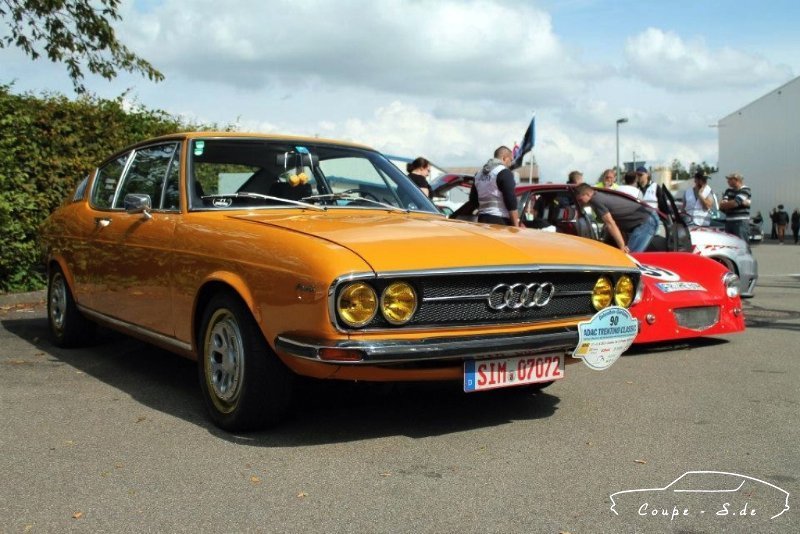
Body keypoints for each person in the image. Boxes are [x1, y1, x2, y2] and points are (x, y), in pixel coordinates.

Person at [574, 183, 659, 252]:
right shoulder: (597, 197)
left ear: (588, 194)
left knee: (631, 258)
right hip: (645, 219)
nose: (580, 203)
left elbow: (610, 223)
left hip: (646, 221)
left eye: (580, 200)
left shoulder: (596, 200)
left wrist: (622, 246)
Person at [468, 146, 520, 227]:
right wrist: (516, 226)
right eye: (511, 160)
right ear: (504, 158)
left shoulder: (478, 174)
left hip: (482, 220)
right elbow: (511, 201)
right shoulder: (504, 172)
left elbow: (473, 200)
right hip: (500, 223)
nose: (511, 164)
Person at [718, 172, 751, 243]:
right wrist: (741, 202)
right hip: (729, 222)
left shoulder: (745, 190)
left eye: (729, 179)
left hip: (740, 223)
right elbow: (721, 206)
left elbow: (735, 203)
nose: (727, 181)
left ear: (736, 180)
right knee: (730, 245)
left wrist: (733, 203)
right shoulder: (728, 190)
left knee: (742, 245)